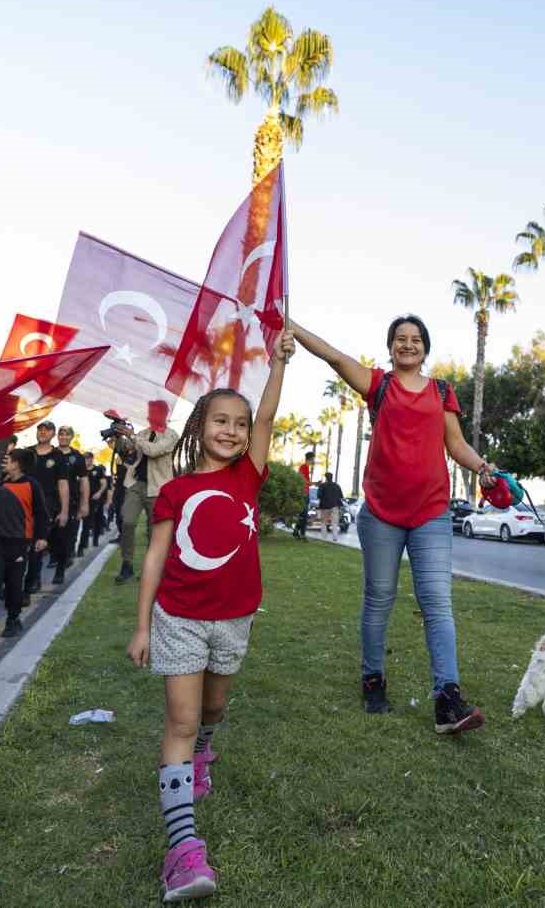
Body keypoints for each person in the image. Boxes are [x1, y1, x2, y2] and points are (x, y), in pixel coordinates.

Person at [127, 328, 294, 902]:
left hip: (235, 617)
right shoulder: (174, 490)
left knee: (213, 709)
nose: (233, 430)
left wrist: (278, 366)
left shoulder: (248, 475)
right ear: (199, 426)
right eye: (221, 420)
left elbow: (270, 416)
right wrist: (144, 625)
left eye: (240, 424)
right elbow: (154, 558)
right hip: (179, 617)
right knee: (179, 719)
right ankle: (183, 852)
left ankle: (203, 753)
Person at [294, 315, 491, 734]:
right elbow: (334, 357)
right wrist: (292, 327)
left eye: (416, 339)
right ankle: (373, 678)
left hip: (432, 513)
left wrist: (482, 467)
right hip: (382, 513)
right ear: (390, 347)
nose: (408, 345)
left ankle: (447, 701)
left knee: (437, 602)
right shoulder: (379, 384)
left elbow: (455, 444)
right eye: (400, 339)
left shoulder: (441, 391)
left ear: (425, 347)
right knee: (379, 597)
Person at [0, 448, 49, 644]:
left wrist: (41, 537)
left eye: (9, 459)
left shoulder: (32, 485)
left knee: (13, 585)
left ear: (18, 464)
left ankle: (13, 620)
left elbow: (40, 514)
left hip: (19, 542)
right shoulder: (0, 482)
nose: (5, 461)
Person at [110, 410, 181, 585]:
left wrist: (132, 436)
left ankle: (150, 569)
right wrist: (119, 435)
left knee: (153, 531)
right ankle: (127, 565)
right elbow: (127, 450)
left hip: (158, 488)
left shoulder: (171, 435)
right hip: (135, 484)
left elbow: (153, 451)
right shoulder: (142, 434)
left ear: (165, 416)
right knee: (127, 521)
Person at [27, 421, 70, 594]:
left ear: (52, 434)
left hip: (48, 505)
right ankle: (30, 578)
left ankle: (35, 578)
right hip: (26, 502)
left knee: (43, 540)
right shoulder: (27, 453)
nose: (43, 433)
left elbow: (63, 484)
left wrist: (64, 511)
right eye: (40, 430)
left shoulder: (58, 456)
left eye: (47, 430)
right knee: (28, 542)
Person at [53, 425, 90, 583]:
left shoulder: (78, 457)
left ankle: (60, 570)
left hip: (72, 501)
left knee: (65, 537)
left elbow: (84, 481)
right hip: (50, 500)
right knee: (50, 538)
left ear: (71, 437)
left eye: (67, 434)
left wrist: (84, 504)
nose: (63, 437)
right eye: (61, 434)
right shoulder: (51, 453)